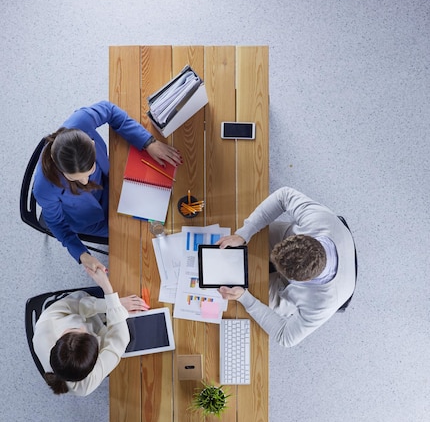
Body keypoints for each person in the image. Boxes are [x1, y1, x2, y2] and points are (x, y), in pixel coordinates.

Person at [33, 100, 182, 273]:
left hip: (110, 185)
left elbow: (110, 110)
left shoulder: (80, 122)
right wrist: (82, 254)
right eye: (75, 178)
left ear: (92, 144)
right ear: (60, 168)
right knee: (140, 237)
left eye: (89, 172)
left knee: (163, 205)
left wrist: (148, 142)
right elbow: (57, 225)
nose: (84, 182)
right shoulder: (44, 189)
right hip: (91, 219)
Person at [217, 186, 356, 348]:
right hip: (290, 242)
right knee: (249, 238)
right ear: (303, 236)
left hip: (292, 290)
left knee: (244, 294)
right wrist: (243, 233)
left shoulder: (321, 303)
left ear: (302, 281)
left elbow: (286, 337)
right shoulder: (318, 220)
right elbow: (283, 195)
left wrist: (245, 298)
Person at [33, 267, 148, 396]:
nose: (83, 327)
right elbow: (119, 339)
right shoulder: (85, 386)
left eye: (74, 329)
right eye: (87, 333)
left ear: (58, 343)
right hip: (106, 327)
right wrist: (109, 291)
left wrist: (114, 304)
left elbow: (76, 303)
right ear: (94, 359)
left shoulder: (47, 322)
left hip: (90, 305)